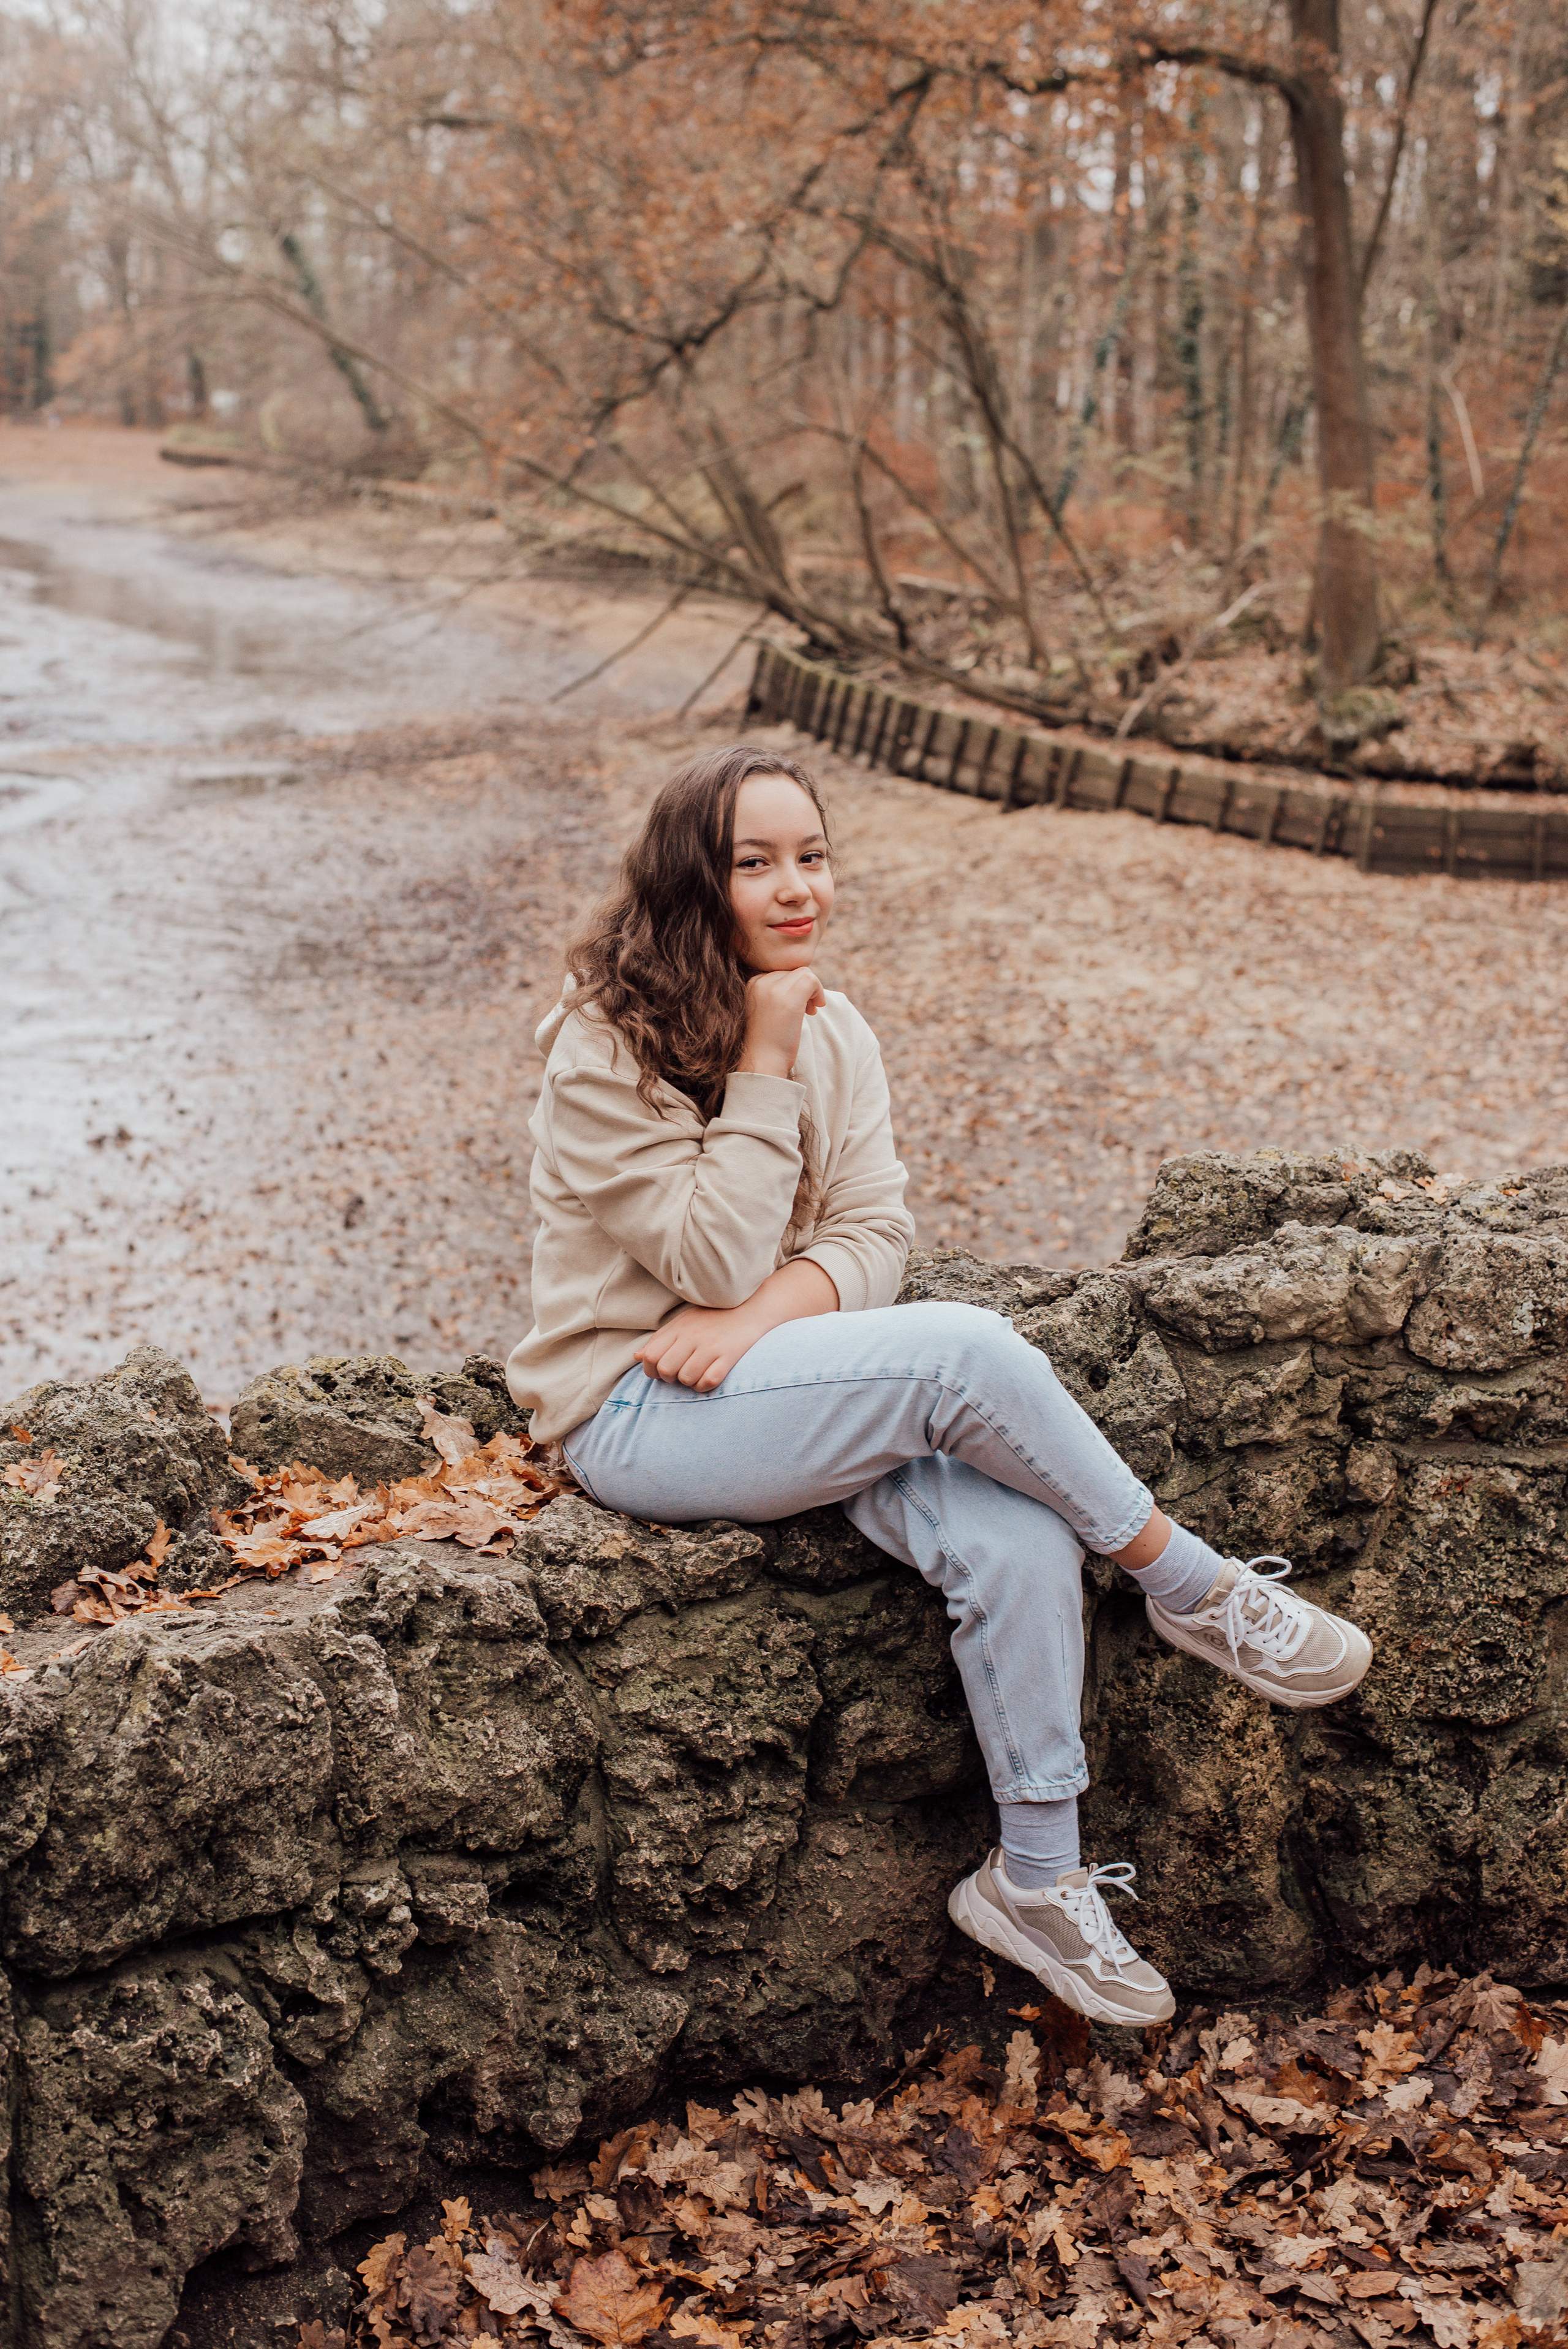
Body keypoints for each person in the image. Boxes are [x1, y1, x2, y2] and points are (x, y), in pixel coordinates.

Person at [507, 744, 1373, 2027]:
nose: (797, 887)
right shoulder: (602, 1047)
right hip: (632, 1412)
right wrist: (756, 1062)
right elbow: (703, 1252)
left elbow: (871, 1234)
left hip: (766, 1378)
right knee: (960, 1350)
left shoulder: (833, 1029)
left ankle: (1033, 1879)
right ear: (694, 881)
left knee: (1016, 1530)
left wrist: (760, 1317)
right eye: (756, 863)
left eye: (812, 855)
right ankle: (1187, 1584)